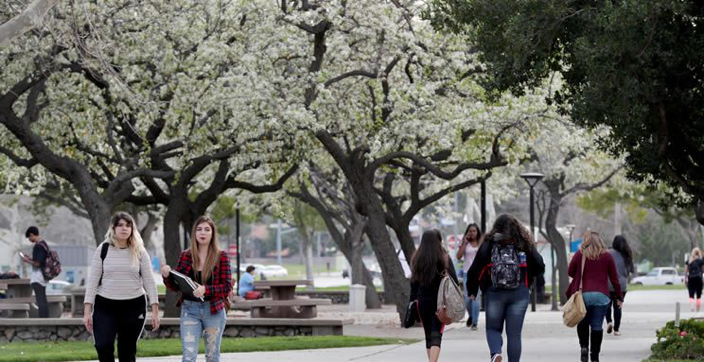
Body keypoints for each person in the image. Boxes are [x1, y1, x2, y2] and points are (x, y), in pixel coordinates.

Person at [466, 214, 545, 362]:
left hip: (494, 292)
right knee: (514, 334)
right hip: (520, 293)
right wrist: (527, 277)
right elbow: (540, 265)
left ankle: (496, 353)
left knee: (493, 328)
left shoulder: (489, 243)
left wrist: (472, 290)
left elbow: (474, 269)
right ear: (517, 227)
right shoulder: (523, 242)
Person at [83, 212, 160, 362]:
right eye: (120, 225)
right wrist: (87, 311)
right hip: (105, 305)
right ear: (113, 228)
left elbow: (150, 282)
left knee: (127, 351)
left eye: (128, 225)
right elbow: (92, 281)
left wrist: (155, 311)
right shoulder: (103, 249)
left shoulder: (139, 251)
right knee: (103, 345)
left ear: (132, 229)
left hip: (134, 305)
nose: (124, 228)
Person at [161, 216, 232, 362]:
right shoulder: (186, 255)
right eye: (199, 229)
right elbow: (176, 286)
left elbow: (227, 287)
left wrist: (206, 290)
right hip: (190, 310)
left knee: (212, 356)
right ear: (194, 233)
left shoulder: (221, 256)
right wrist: (167, 276)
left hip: (214, 311)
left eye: (207, 229)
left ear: (212, 233)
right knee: (188, 356)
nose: (203, 233)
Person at [568, 231, 622, 362]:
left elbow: (570, 272)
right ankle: (595, 357)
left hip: (584, 295)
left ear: (585, 240)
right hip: (602, 296)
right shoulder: (607, 256)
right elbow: (615, 279)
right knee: (597, 326)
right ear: (600, 241)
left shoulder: (579, 254)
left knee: (582, 322)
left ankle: (584, 347)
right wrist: (619, 297)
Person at [409, 229, 459, 362]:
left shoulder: (417, 258)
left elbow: (413, 283)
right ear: (439, 241)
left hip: (422, 302)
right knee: (437, 333)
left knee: (428, 334)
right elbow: (453, 279)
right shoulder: (444, 257)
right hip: (439, 302)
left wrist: (412, 301)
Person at [605, 235, 634, 336]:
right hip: (621, 286)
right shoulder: (627, 255)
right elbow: (631, 271)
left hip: (608, 284)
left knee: (607, 305)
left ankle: (609, 322)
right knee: (618, 307)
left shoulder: (608, 253)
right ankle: (616, 330)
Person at [456, 223, 482, 329]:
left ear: (477, 232)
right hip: (467, 273)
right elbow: (458, 257)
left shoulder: (481, 243)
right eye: (470, 231)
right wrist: (464, 243)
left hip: (479, 273)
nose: (472, 233)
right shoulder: (465, 244)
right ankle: (471, 316)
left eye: (474, 231)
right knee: (467, 299)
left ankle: (475, 322)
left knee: (475, 297)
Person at [21, 226, 49, 318]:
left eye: (29, 237)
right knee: (43, 300)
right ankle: (46, 320)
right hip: (43, 276)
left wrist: (26, 260)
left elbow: (37, 263)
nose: (30, 240)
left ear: (32, 235)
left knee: (40, 300)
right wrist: (30, 259)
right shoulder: (44, 244)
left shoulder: (38, 246)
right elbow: (39, 261)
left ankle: (43, 320)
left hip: (38, 277)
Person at [685, 247, 704, 313]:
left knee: (691, 294)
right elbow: (703, 271)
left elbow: (686, 271)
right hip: (698, 279)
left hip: (691, 278)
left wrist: (685, 280)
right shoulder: (701, 261)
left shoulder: (689, 260)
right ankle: (697, 311)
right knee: (698, 296)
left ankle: (692, 306)